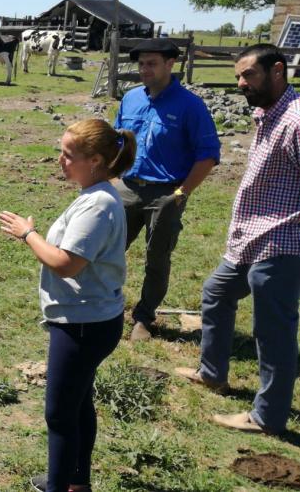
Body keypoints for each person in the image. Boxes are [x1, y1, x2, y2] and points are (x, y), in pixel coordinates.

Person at [0, 119, 137, 492]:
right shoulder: (97, 195)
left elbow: (66, 263)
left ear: (94, 160)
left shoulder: (98, 205)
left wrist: (27, 234)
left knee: (59, 414)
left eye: (67, 155)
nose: (59, 160)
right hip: (92, 318)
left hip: (82, 324)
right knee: (79, 403)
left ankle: (59, 486)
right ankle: (77, 481)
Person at [174, 44, 300, 435]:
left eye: (249, 75)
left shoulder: (296, 120)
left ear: (278, 70)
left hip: (283, 241)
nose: (241, 84)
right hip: (252, 236)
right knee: (216, 292)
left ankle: (268, 417)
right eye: (238, 77)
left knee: (273, 330)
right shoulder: (268, 113)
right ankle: (212, 373)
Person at [114, 39, 220, 341]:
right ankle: (104, 304)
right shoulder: (131, 98)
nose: (145, 69)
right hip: (127, 187)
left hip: (165, 193)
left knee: (157, 258)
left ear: (171, 64)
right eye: (141, 64)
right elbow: (116, 140)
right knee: (107, 248)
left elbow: (208, 155)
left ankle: (144, 318)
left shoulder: (190, 106)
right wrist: (112, 179)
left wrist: (182, 192)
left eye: (152, 63)